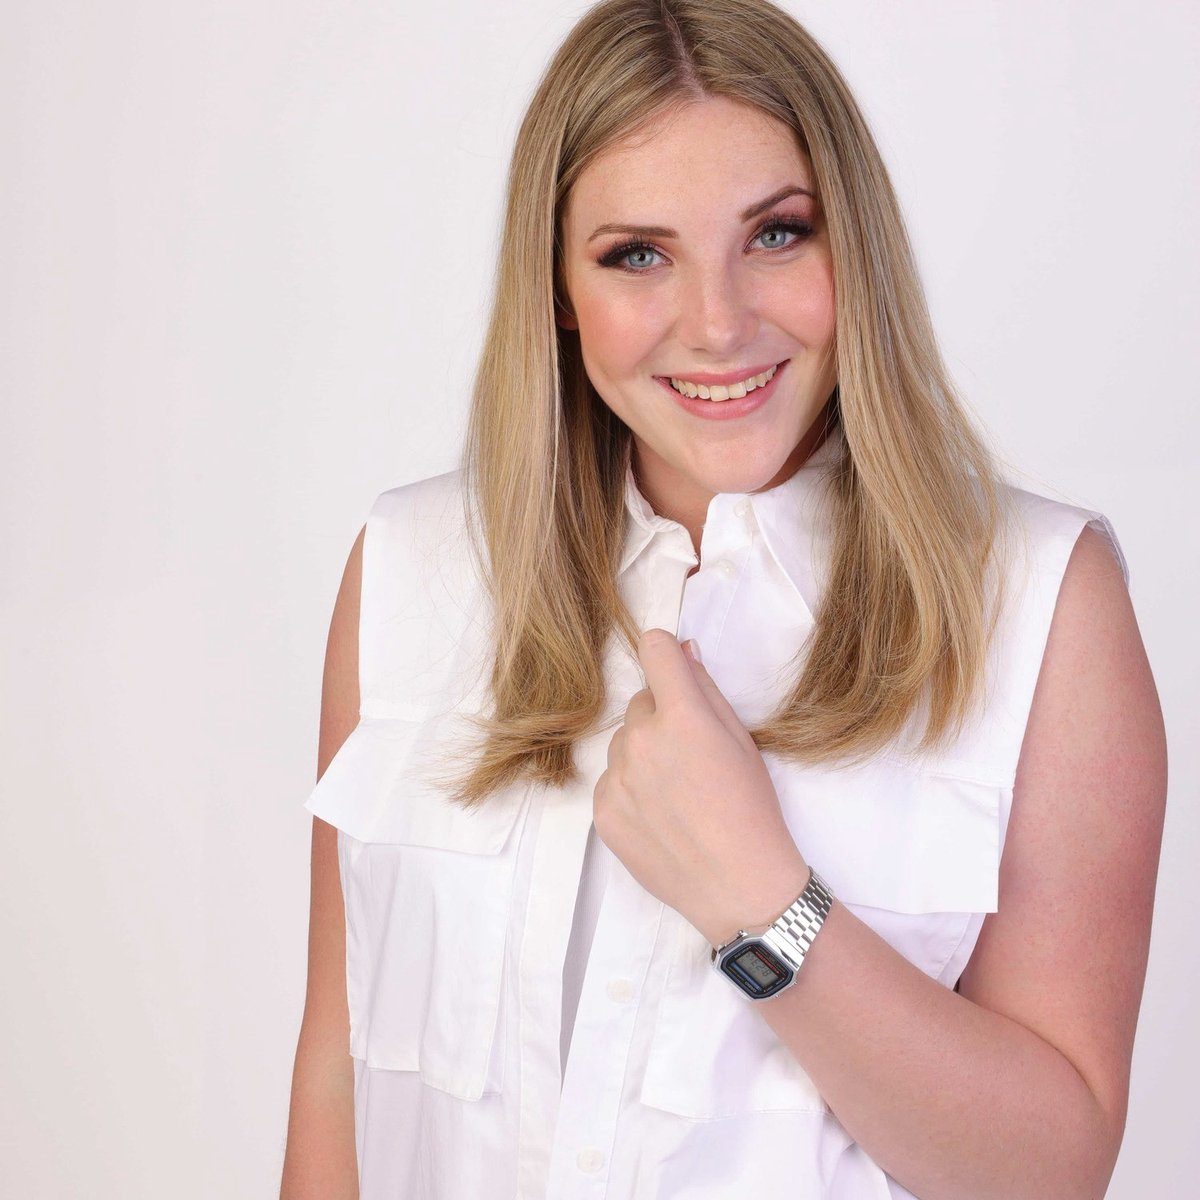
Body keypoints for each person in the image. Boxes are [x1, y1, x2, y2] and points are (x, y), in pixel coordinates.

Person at [280, 1, 1167, 1196]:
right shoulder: (412, 568)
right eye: (637, 254)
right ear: (557, 286)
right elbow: (336, 1072)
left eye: (777, 235)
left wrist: (762, 902)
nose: (718, 324)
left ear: (853, 245)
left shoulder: (1039, 603)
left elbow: (1053, 1170)